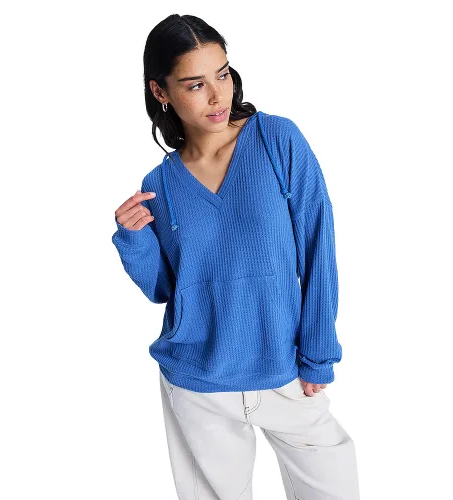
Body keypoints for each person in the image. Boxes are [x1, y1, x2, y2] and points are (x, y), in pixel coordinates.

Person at [112, 13, 360, 500]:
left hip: (285, 369)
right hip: (198, 379)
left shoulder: (277, 140)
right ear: (160, 92)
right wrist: (134, 239)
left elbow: (318, 246)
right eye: (195, 84)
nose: (217, 96)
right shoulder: (159, 185)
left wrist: (318, 354)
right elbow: (166, 289)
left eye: (222, 75)